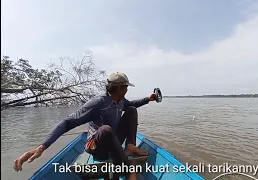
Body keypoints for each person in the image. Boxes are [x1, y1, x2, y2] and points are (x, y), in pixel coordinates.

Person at [13, 72, 158, 180]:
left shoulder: (121, 101)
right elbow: (68, 122)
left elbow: (132, 105)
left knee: (132, 110)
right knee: (106, 130)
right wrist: (41, 147)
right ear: (119, 88)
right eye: (126, 87)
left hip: (113, 143)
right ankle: (128, 171)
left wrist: (148, 99)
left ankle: (130, 146)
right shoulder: (98, 103)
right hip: (96, 147)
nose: (127, 90)